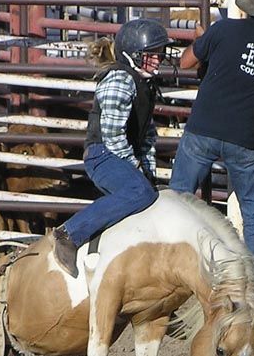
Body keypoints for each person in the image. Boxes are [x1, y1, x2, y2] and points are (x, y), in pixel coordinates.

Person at [169, 0, 254, 267]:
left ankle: (173, 262)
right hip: (247, 136)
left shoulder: (223, 30)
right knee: (253, 210)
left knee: (178, 195)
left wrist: (202, 41)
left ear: (249, 8)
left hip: (204, 127)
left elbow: (186, 62)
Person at [52, 18, 177, 278]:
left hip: (116, 154)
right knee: (139, 192)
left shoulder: (145, 84)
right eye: (151, 55)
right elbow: (112, 135)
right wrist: (136, 170)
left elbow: (147, 136)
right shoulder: (120, 80)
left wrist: (149, 171)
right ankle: (69, 233)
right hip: (102, 154)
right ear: (132, 56)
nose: (158, 59)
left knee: (151, 193)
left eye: (159, 54)